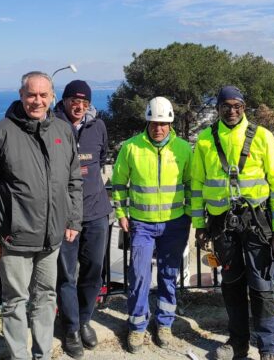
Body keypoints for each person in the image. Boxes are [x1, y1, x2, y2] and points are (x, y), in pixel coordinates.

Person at [0, 71, 83, 360]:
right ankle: (19, 356)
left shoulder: (62, 131)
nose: (37, 100)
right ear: (21, 95)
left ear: (52, 96)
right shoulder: (1, 132)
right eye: (31, 94)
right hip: (14, 237)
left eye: (43, 95)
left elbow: (73, 181)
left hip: (52, 237)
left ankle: (42, 354)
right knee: (15, 301)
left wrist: (73, 219)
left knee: (46, 298)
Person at [190, 86, 274, 360]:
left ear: (244, 107)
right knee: (231, 284)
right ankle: (238, 344)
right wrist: (200, 225)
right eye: (226, 106)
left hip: (256, 220)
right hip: (222, 223)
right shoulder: (206, 139)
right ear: (218, 108)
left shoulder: (262, 137)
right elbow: (198, 185)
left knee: (261, 286)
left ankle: (268, 347)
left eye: (238, 106)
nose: (232, 111)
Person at [111, 96, 192, 354]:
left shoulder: (183, 149)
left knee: (169, 275)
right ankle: (136, 326)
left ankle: (164, 323)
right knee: (139, 276)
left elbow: (192, 185)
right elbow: (119, 184)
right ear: (147, 121)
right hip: (142, 225)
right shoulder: (131, 148)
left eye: (163, 123)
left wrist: (190, 214)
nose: (158, 128)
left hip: (175, 223)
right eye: (154, 123)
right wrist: (122, 213)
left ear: (171, 123)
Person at [52, 80, 111, 358]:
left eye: (84, 102)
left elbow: (101, 157)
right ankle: (71, 328)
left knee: (93, 270)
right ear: (64, 101)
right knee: (66, 275)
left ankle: (85, 318)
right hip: (64, 216)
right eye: (74, 100)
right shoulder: (51, 126)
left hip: (97, 212)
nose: (79, 106)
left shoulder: (98, 127)